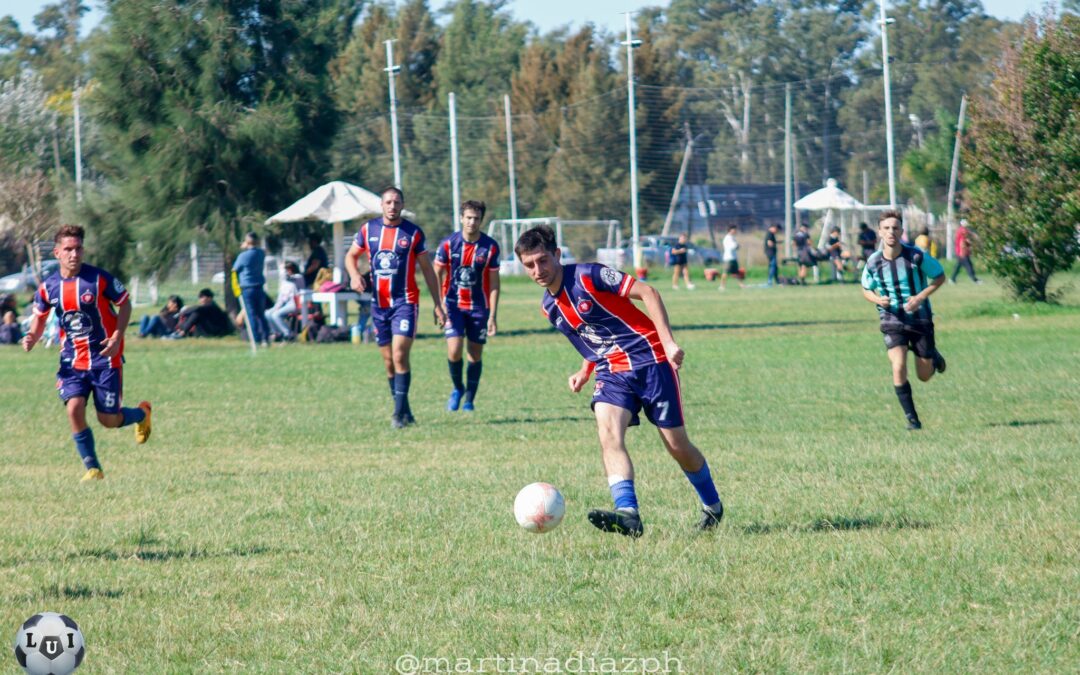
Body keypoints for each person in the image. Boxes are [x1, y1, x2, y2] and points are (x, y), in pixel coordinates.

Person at [514, 224, 724, 537]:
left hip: (651, 360)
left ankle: (713, 506)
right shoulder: (550, 309)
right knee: (608, 432)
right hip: (612, 372)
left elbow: (648, 292)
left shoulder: (589, 275)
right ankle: (628, 513)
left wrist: (668, 342)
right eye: (529, 265)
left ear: (557, 255)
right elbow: (595, 339)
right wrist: (585, 370)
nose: (538, 270)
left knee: (677, 445)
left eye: (543, 260)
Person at [21, 224, 152, 482]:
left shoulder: (99, 279)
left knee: (109, 420)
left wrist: (117, 336)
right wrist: (32, 337)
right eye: (68, 249)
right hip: (72, 361)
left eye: (78, 248)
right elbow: (39, 317)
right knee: (74, 408)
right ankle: (93, 468)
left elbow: (124, 304)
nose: (74, 254)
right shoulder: (48, 287)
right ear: (57, 252)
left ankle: (142, 414)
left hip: (105, 359)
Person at [345, 186, 447, 429]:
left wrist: (438, 305)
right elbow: (351, 256)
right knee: (389, 361)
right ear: (381, 205)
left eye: (397, 202)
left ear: (402, 205)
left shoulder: (413, 233)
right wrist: (354, 275)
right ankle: (405, 411)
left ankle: (397, 415)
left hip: (405, 302)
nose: (392, 206)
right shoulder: (368, 230)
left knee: (400, 354)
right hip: (379, 305)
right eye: (388, 202)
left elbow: (428, 271)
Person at [861, 210, 947, 431]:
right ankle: (912, 419)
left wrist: (920, 297)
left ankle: (932, 355)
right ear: (880, 232)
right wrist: (878, 298)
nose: (891, 232)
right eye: (887, 228)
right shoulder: (873, 262)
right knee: (898, 366)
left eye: (895, 227)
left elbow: (939, 276)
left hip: (920, 320)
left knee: (924, 376)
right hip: (892, 320)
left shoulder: (916, 256)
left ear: (901, 231)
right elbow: (865, 289)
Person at [434, 200, 501, 412]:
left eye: (476, 218)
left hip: (478, 308)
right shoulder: (448, 244)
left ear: (481, 220)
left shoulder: (490, 247)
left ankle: (470, 400)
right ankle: (457, 388)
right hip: (452, 306)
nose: (472, 222)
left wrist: (492, 315)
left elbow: (494, 283)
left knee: (475, 353)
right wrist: (438, 305)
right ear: (461, 218)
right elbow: (435, 273)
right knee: (454, 351)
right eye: (469, 217)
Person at [232, 232, 270, 347]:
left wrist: (244, 249)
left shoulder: (243, 256)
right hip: (259, 287)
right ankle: (265, 338)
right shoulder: (261, 253)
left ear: (247, 242)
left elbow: (235, 269)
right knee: (261, 314)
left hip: (247, 288)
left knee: (251, 314)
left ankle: (255, 338)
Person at [170, 288, 234, 338]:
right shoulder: (207, 307)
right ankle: (180, 331)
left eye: (203, 297)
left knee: (197, 313)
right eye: (200, 297)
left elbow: (198, 308)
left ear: (210, 298)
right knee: (195, 314)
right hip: (208, 329)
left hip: (215, 331)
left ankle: (182, 333)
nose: (201, 299)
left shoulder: (212, 306)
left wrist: (183, 312)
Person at [265, 261, 305, 341]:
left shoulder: (298, 277)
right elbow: (281, 298)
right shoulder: (284, 282)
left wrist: (285, 275)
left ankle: (288, 334)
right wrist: (276, 307)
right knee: (267, 313)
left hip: (295, 303)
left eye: (288, 269)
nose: (287, 272)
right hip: (286, 303)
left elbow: (293, 280)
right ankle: (276, 333)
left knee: (276, 315)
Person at [950, 219, 980, 284]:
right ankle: (974, 279)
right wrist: (973, 240)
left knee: (958, 266)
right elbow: (965, 240)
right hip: (962, 252)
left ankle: (952, 279)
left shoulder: (961, 230)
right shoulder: (963, 230)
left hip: (960, 251)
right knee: (969, 265)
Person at [719, 225, 744, 290]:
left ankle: (741, 285)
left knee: (736, 272)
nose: (735, 231)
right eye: (734, 229)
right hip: (728, 258)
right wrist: (737, 246)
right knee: (725, 272)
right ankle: (722, 286)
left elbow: (736, 246)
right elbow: (733, 246)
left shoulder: (732, 237)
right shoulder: (728, 238)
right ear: (730, 230)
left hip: (733, 258)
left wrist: (737, 246)